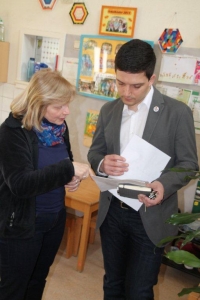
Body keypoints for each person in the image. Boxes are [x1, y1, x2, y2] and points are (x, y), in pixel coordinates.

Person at [88, 39, 199, 300]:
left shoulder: (178, 113)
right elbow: (94, 152)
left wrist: (164, 184)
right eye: (120, 83)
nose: (126, 92)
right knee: (112, 283)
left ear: (152, 79)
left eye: (136, 85)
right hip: (113, 212)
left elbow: (188, 165)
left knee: (139, 290)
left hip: (151, 215)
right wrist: (103, 163)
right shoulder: (108, 110)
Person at [0, 68, 93, 300]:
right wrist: (67, 170)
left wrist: (69, 178)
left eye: (67, 104)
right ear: (38, 103)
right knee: (14, 288)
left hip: (53, 219)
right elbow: (20, 184)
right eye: (59, 106)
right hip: (22, 224)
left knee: (37, 280)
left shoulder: (59, 128)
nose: (67, 111)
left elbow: (64, 161)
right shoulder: (12, 132)